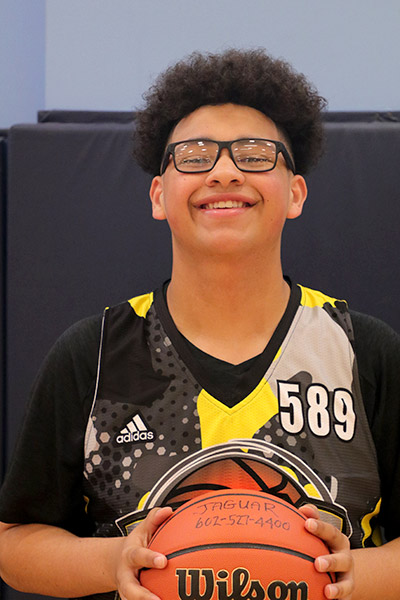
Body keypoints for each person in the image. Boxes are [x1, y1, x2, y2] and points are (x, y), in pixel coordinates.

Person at [0, 48, 399, 600]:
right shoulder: (93, 353)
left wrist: (354, 576)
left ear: (296, 193)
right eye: (193, 156)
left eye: (256, 155)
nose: (225, 171)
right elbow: (14, 543)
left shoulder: (363, 351)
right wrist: (114, 560)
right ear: (159, 195)